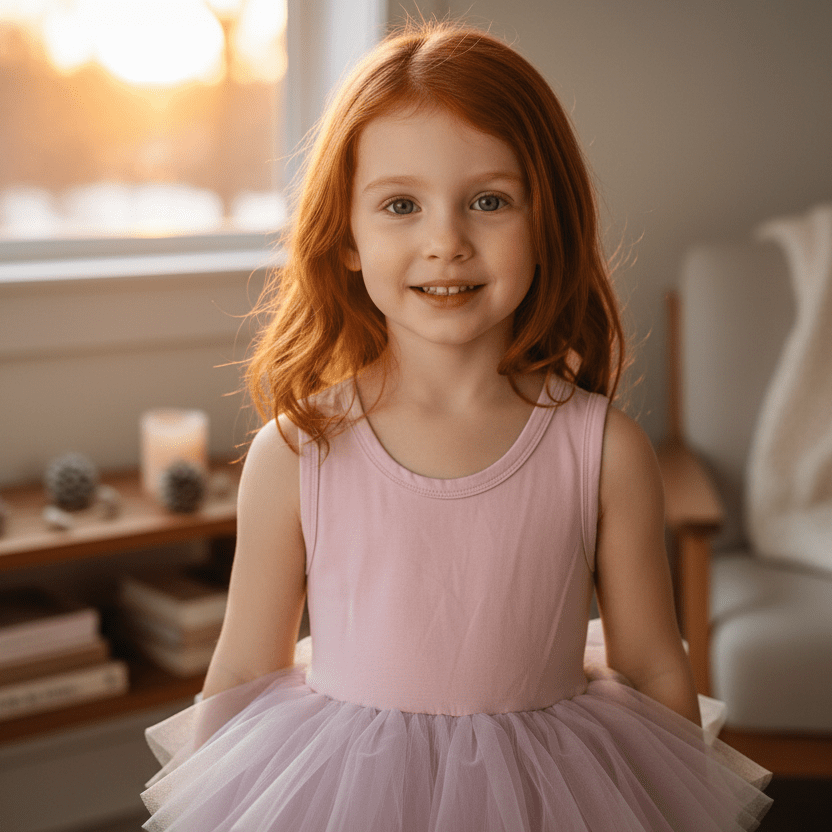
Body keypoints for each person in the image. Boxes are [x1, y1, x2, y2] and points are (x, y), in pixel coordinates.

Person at [141, 20, 773, 831]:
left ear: (546, 224)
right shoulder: (298, 450)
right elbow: (242, 664)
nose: (446, 241)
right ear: (346, 239)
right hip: (341, 793)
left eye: (489, 201)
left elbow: (651, 663)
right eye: (401, 205)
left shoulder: (604, 450)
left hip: (559, 793)